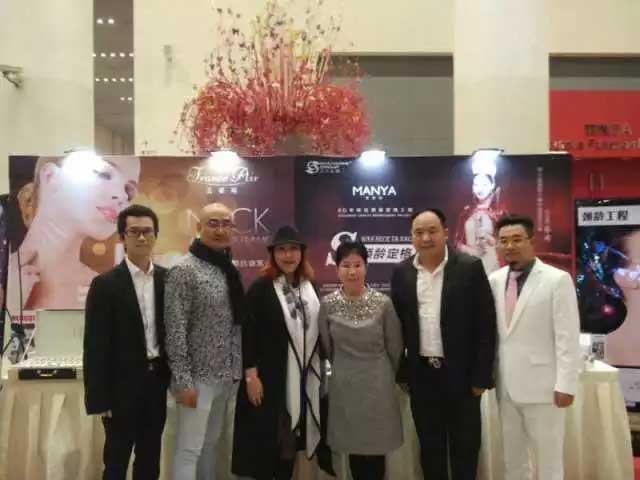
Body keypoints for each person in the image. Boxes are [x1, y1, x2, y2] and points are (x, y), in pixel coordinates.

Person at [391, 208, 496, 480]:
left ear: (446, 233)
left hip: (463, 378)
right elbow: (397, 327)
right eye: (419, 232)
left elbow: (485, 325)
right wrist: (403, 372)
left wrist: (481, 376)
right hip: (422, 376)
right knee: (430, 449)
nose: (426, 238)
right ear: (411, 237)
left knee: (465, 448)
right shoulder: (402, 273)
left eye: (432, 231)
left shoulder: (469, 267)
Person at [232, 225, 333, 479]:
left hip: (303, 378)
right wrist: (251, 376)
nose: (288, 255)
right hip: (271, 379)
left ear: (302, 253)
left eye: (293, 249)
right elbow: (248, 335)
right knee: (270, 444)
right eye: (282, 250)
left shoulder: (311, 287)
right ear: (273, 254)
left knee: (290, 444)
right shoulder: (261, 288)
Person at [489, 214, 580, 480]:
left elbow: (567, 337)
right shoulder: (495, 280)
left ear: (532, 241)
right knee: (513, 459)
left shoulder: (557, 279)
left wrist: (566, 384)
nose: (510, 246)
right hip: (506, 386)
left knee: (549, 460)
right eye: (504, 240)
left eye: (517, 239)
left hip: (545, 388)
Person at [83, 204, 169, 480]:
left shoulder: (168, 280)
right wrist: (99, 399)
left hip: (156, 383)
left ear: (155, 235)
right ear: (122, 237)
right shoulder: (105, 284)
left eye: (147, 231)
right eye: (134, 232)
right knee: (116, 460)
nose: (142, 237)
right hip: (120, 388)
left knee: (150, 458)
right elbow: (95, 346)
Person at [164, 202, 244, 480]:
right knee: (189, 450)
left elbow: (234, 325)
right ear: (198, 227)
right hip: (197, 379)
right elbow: (175, 329)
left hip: (225, 376)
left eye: (226, 224)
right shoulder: (184, 270)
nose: (220, 230)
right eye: (213, 223)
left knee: (211, 445)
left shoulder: (227, 268)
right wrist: (183, 381)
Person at [8, 153, 140, 312]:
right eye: (104, 174)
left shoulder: (101, 289)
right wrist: (10, 306)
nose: (122, 196)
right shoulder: (6, 273)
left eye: (129, 190)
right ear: (50, 177)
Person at [318, 240, 403, 480]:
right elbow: (327, 347)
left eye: (357, 265)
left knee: (377, 446)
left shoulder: (383, 303)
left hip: (378, 384)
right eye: (346, 265)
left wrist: (385, 373)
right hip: (345, 384)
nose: (352, 271)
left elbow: (395, 346)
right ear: (337, 269)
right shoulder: (328, 304)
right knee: (353, 446)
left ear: (366, 267)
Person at [454, 157, 504, 275]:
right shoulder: (466, 212)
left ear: (492, 185)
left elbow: (505, 242)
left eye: (484, 184)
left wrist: (489, 239)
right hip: (469, 264)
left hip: (492, 265)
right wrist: (470, 251)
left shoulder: (499, 213)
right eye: (476, 184)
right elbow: (456, 242)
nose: (480, 189)